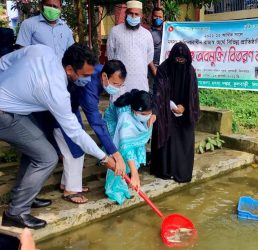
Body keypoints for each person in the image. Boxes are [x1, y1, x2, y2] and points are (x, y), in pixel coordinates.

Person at [0, 44, 116, 229]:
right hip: (4, 113)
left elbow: (4, 62)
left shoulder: (43, 50)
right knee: (47, 157)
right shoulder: (56, 90)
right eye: (85, 75)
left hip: (14, 108)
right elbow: (75, 132)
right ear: (70, 69)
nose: (88, 79)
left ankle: (24, 196)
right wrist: (104, 157)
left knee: (34, 149)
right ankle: (16, 212)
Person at [55, 59, 128, 204]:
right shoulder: (90, 87)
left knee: (79, 145)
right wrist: (116, 154)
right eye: (115, 84)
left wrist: (114, 154)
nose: (117, 88)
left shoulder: (102, 70)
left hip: (72, 107)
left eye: (121, 85)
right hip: (59, 109)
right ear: (104, 76)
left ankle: (67, 183)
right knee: (74, 148)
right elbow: (96, 123)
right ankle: (70, 190)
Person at [150, 42, 200, 183]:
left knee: (184, 135)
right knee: (165, 134)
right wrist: (169, 105)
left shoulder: (190, 71)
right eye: (177, 59)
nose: (179, 62)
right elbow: (158, 92)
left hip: (183, 111)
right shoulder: (164, 69)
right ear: (172, 57)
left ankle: (180, 170)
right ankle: (164, 170)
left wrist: (184, 107)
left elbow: (193, 94)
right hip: (165, 109)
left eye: (182, 60)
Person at [104, 90, 153, 205]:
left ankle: (126, 177)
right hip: (112, 124)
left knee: (134, 144)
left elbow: (133, 142)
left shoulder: (145, 105)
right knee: (119, 153)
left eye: (149, 113)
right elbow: (126, 145)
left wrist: (153, 116)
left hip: (129, 124)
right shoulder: (125, 115)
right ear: (135, 110)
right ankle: (115, 186)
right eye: (144, 114)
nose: (147, 117)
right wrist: (135, 174)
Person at [107, 0, 154, 99]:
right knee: (119, 111)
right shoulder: (115, 31)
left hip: (140, 83)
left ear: (141, 16)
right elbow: (111, 56)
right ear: (126, 13)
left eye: (136, 14)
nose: (133, 16)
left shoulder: (147, 35)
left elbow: (149, 58)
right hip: (119, 83)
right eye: (131, 13)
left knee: (139, 110)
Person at [148, 7, 165, 93]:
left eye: (160, 17)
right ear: (152, 16)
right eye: (155, 16)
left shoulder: (167, 32)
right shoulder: (148, 33)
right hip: (152, 69)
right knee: (152, 92)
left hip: (165, 68)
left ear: (163, 18)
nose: (158, 19)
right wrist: (153, 69)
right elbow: (146, 53)